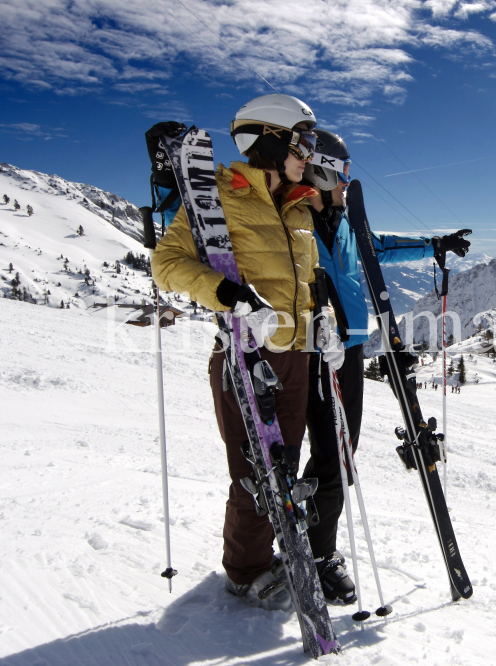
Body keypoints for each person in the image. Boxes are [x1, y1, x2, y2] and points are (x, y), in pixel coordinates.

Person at [152, 94, 340, 612]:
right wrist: (227, 294)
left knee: (287, 464)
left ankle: (274, 551)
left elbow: (303, 284)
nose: (309, 152)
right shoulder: (221, 196)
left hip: (297, 356)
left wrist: (319, 323)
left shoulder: (300, 207)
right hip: (244, 355)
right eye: (301, 141)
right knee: (253, 468)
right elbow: (166, 264)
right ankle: (245, 570)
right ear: (269, 140)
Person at [299, 128, 471, 604]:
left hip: (349, 350)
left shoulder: (345, 223)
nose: (347, 179)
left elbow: (381, 249)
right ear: (322, 170)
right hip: (312, 351)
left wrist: (432, 245)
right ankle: (317, 555)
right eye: (343, 171)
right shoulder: (295, 224)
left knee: (340, 450)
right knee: (332, 454)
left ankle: (307, 535)